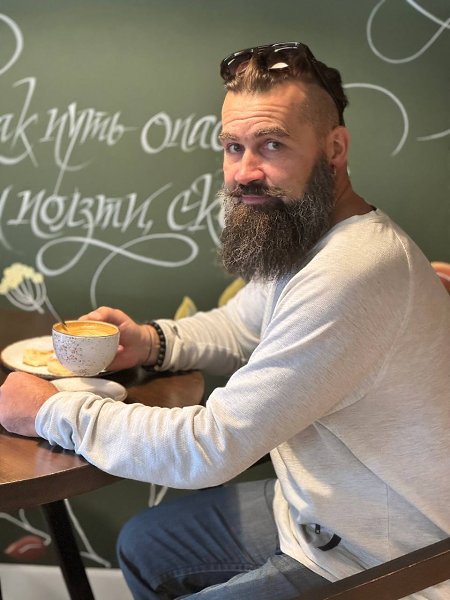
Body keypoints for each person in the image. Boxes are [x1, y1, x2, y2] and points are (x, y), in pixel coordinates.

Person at [0, 41, 449, 600]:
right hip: (318, 511)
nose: (244, 172)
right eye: (233, 147)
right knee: (145, 545)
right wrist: (150, 342)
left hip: (391, 558)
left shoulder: (353, 271)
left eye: (272, 145)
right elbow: (240, 326)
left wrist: (49, 411)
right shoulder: (307, 231)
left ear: (334, 148)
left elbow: (212, 447)